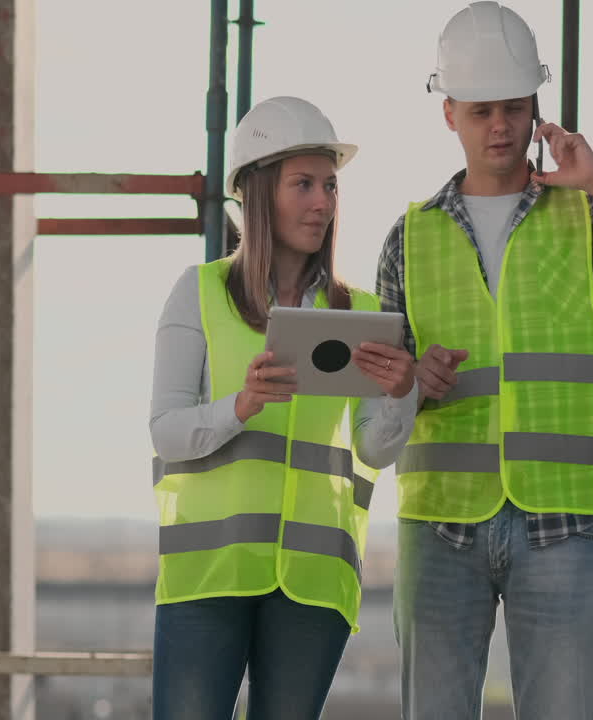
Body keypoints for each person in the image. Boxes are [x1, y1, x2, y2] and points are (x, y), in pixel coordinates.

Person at [379, 4, 593, 719]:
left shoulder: (588, 218)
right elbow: (380, 401)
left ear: (535, 108)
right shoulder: (409, 238)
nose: (500, 126)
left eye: (514, 107)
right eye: (481, 111)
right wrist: (416, 383)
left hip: (562, 526)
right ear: (449, 113)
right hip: (441, 527)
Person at [149, 95, 419, 720]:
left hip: (313, 585)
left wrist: (403, 391)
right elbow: (166, 431)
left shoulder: (362, 313)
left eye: (330, 185)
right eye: (303, 184)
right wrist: (239, 407)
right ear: (257, 194)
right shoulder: (200, 294)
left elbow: (374, 448)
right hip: (209, 576)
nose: (323, 201)